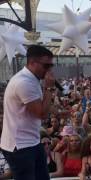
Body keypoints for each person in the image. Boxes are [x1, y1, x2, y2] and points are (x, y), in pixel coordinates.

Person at [1, 45, 54, 180]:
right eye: (46, 66)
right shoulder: (23, 82)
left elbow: (37, 107)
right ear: (32, 63)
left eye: (50, 66)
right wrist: (49, 89)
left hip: (31, 141)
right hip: (19, 146)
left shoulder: (32, 79)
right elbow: (41, 113)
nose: (49, 70)